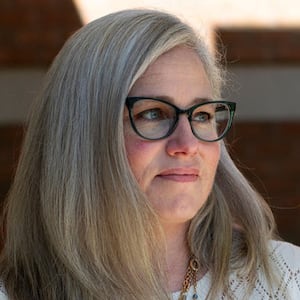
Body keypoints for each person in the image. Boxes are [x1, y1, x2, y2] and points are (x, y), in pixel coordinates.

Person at [0, 8, 299, 300]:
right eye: (154, 114)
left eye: (202, 115)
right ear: (82, 134)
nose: (188, 143)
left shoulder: (286, 278)